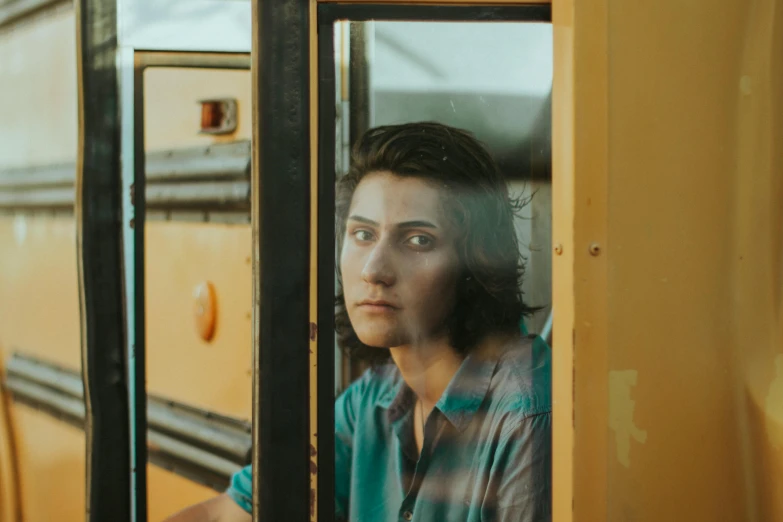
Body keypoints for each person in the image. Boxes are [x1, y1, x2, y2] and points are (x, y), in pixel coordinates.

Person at [164, 122, 552, 522]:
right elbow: (228, 514)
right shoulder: (374, 401)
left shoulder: (529, 414)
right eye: (363, 234)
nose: (374, 269)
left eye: (418, 240)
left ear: (477, 261)